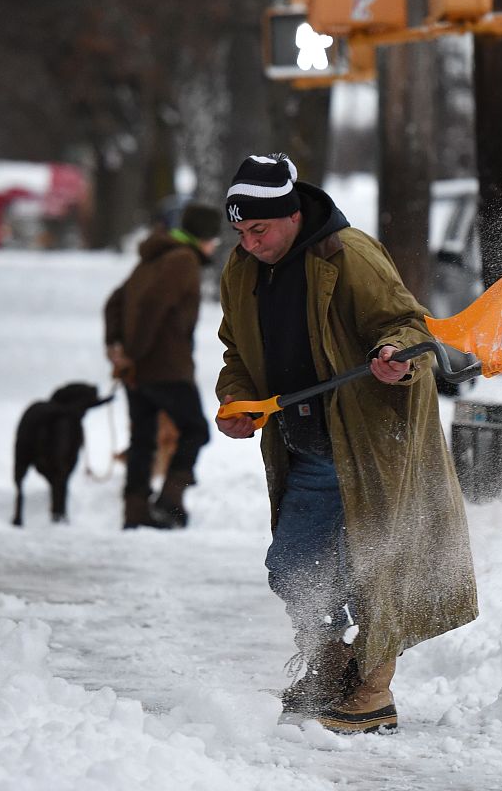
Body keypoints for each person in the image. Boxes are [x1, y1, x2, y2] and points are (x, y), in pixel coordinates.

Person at [214, 153, 478, 734]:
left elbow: (407, 326)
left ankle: (372, 692)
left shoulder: (347, 254)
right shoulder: (242, 269)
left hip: (367, 438)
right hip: (304, 440)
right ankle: (332, 668)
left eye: (259, 229)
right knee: (295, 567)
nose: (250, 243)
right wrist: (236, 398)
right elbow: (238, 350)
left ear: (290, 215)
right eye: (240, 231)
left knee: (373, 564)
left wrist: (393, 361)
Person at [104, 201, 221, 529]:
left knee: (143, 438)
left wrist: (118, 348)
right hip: (166, 368)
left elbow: (115, 301)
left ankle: (135, 513)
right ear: (204, 236)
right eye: (215, 238)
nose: (215, 246)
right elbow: (153, 306)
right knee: (195, 430)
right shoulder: (183, 260)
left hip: (138, 371)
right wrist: (134, 353)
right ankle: (170, 504)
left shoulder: (152, 259)